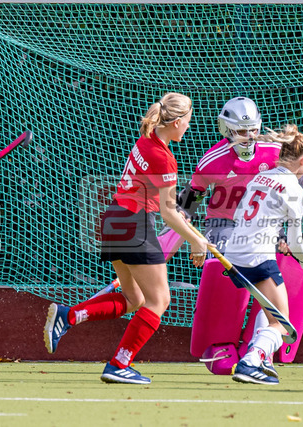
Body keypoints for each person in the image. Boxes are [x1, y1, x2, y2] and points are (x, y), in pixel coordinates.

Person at [43, 92, 209, 384]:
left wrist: (192, 232)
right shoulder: (165, 158)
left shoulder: (146, 139)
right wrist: (197, 241)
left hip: (114, 219)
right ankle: (119, 364)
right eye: (187, 121)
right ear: (177, 122)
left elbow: (169, 209)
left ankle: (69, 316)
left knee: (134, 298)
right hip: (134, 224)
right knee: (159, 300)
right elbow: (169, 214)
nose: (188, 127)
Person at [223, 124, 303, 385]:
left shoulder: (259, 178)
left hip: (234, 255)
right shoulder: (295, 189)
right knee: (283, 323)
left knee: (270, 308)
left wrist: (275, 235)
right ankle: (250, 361)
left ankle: (264, 359)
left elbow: (241, 215)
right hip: (257, 258)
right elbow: (296, 242)